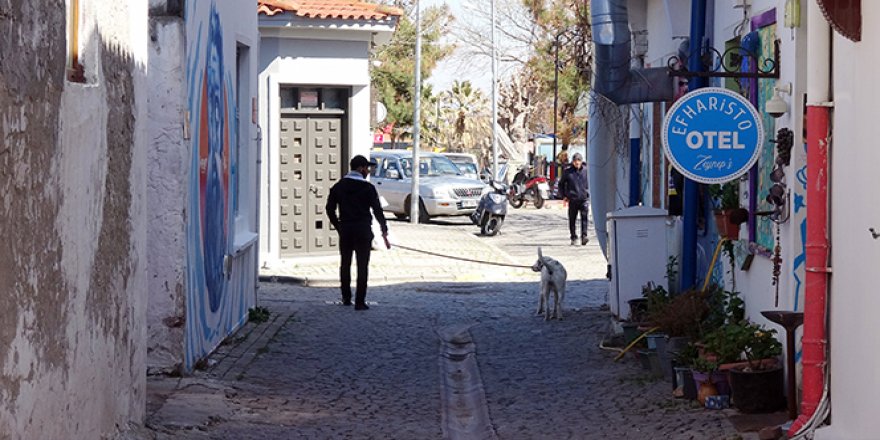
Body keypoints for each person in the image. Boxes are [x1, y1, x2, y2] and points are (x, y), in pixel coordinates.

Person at [326, 155, 389, 310]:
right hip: (363, 230)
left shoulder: (339, 186)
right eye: (367, 168)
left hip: (346, 229)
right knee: (362, 265)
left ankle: (346, 297)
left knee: (345, 264)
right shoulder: (368, 188)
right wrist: (384, 229)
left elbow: (329, 209)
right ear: (361, 168)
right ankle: (360, 302)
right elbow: (377, 210)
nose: (368, 171)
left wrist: (338, 226)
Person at [559, 152, 590, 246]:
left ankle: (584, 236)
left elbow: (592, 183)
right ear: (572, 162)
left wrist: (589, 194)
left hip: (584, 199)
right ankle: (573, 237)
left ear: (581, 161)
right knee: (572, 219)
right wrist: (564, 195)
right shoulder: (568, 172)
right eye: (575, 161)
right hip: (572, 199)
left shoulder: (586, 171)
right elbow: (561, 184)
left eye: (578, 161)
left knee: (584, 218)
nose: (577, 163)